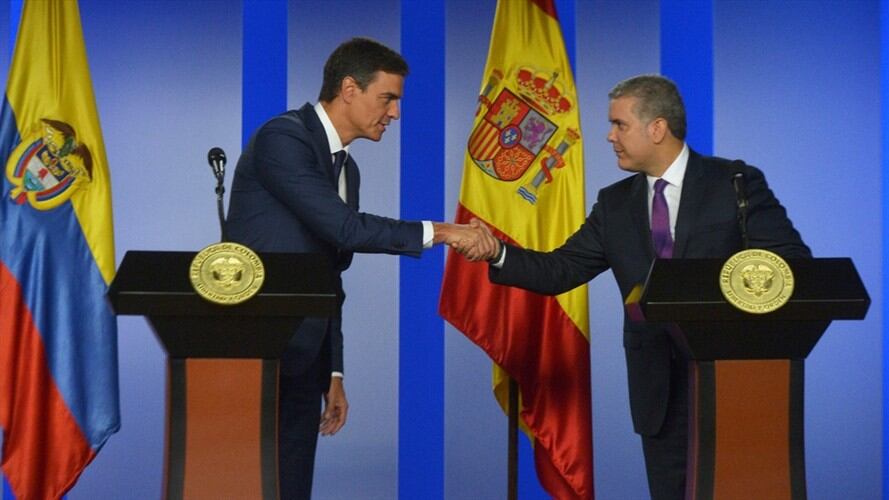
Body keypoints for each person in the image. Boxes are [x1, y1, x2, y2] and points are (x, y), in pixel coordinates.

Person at [458, 75, 811, 500]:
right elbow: (560, 270)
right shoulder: (615, 203)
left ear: (656, 128)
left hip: (733, 383)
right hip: (657, 389)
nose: (609, 136)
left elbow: (790, 264)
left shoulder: (734, 183)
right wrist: (496, 252)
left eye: (619, 124)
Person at [225, 37, 490, 500]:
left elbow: (329, 275)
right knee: (245, 487)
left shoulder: (347, 170)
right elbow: (347, 230)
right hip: (253, 351)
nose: (395, 113)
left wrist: (335, 371)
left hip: (306, 359)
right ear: (349, 88)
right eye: (387, 98)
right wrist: (445, 232)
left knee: (290, 488)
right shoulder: (283, 138)